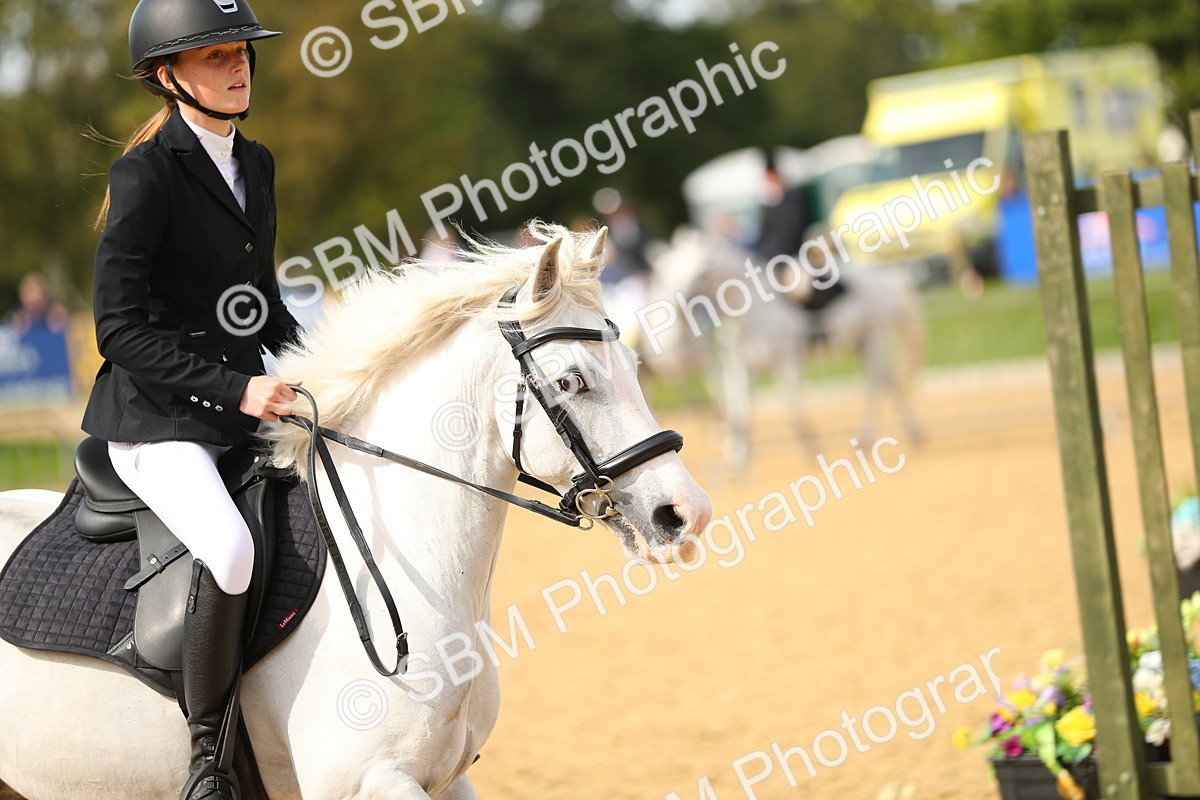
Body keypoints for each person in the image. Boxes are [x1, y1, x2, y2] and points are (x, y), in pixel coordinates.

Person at [81, 1, 303, 797]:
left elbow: (259, 303)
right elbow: (119, 330)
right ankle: (207, 759)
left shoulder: (258, 162)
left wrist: (319, 365)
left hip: (238, 408)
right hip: (154, 420)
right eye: (214, 56)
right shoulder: (145, 173)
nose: (237, 65)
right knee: (232, 548)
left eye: (241, 51)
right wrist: (238, 387)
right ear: (168, 75)